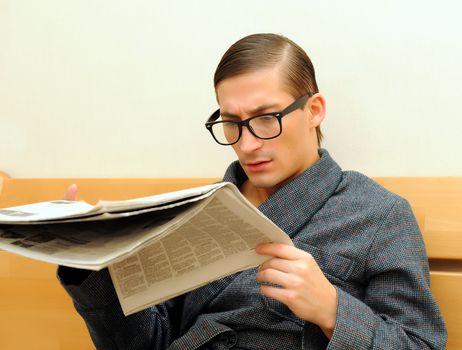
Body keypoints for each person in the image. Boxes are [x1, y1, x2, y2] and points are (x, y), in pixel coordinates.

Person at [59, 33, 447, 349]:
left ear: (313, 110)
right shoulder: (194, 212)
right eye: (231, 123)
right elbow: (146, 343)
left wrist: (333, 310)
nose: (246, 144)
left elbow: (420, 343)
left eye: (266, 118)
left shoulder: (379, 215)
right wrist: (92, 270)